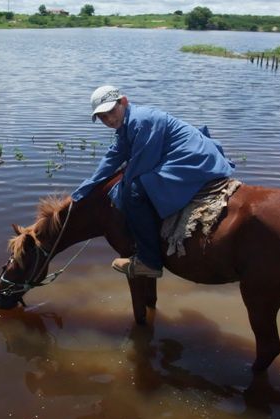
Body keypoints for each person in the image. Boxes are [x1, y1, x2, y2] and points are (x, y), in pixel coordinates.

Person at [71, 85, 235, 278]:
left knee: (132, 192)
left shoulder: (142, 121)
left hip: (193, 157)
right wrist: (86, 187)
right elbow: (112, 157)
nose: (109, 119)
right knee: (129, 185)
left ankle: (148, 261)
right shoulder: (126, 124)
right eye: (102, 117)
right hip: (183, 153)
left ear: (123, 102)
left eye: (111, 112)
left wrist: (119, 193)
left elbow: (140, 166)